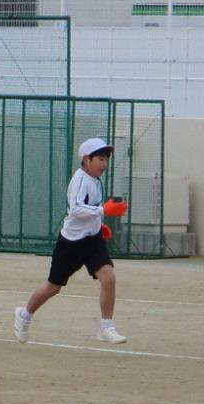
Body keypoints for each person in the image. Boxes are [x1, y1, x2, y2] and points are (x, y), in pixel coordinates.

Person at [14, 136, 129, 346]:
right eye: (100, 159)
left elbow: (89, 208)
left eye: (106, 159)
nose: (104, 163)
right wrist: (104, 211)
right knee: (53, 287)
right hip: (71, 244)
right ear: (86, 159)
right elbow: (75, 209)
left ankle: (106, 327)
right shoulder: (80, 179)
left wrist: (98, 225)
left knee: (109, 278)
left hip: (92, 241)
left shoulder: (95, 180)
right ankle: (24, 314)